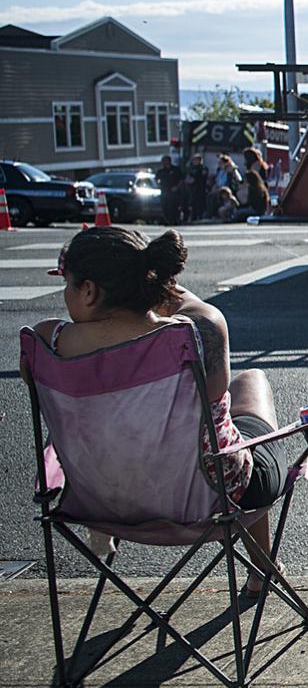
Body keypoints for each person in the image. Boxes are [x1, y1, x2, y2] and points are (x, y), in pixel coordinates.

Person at [29, 227, 288, 591]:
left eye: (68, 284)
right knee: (251, 383)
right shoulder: (197, 334)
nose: (66, 294)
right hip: (209, 499)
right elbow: (201, 313)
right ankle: (261, 569)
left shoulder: (46, 343)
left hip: (100, 500)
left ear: (88, 291)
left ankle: (260, 569)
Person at [155, 154, 184, 225]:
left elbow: (181, 179)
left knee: (174, 207)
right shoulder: (161, 171)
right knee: (165, 207)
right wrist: (158, 185)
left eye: (166, 161)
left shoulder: (175, 169)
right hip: (164, 191)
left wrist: (177, 187)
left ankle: (175, 220)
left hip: (174, 191)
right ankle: (167, 221)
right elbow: (156, 179)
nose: (165, 163)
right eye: (163, 161)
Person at [185, 155, 209, 223]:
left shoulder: (203, 168)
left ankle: (199, 216)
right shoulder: (191, 168)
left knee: (200, 203)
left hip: (201, 188)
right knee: (193, 204)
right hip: (192, 189)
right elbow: (188, 178)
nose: (195, 161)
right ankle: (193, 217)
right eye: (194, 160)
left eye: (196, 160)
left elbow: (200, 178)